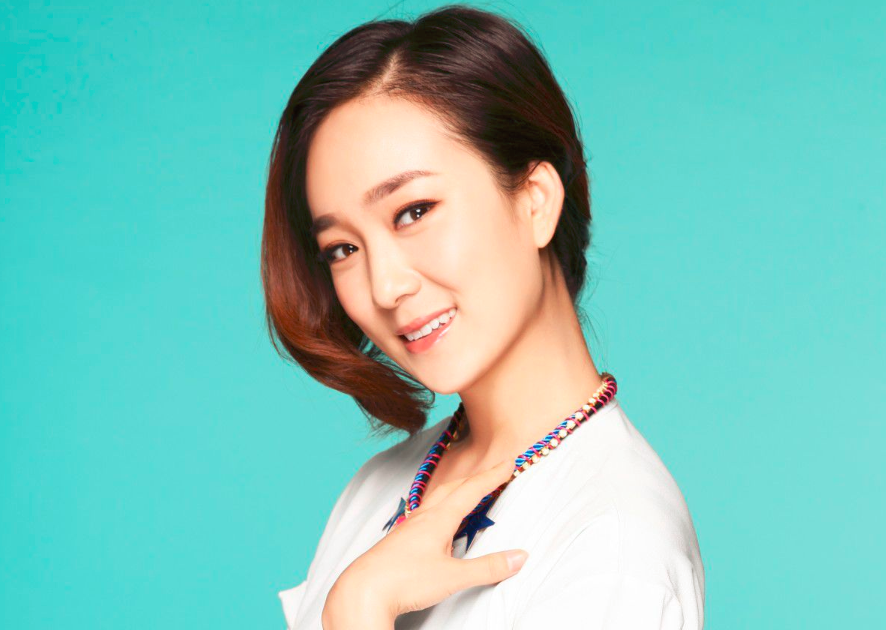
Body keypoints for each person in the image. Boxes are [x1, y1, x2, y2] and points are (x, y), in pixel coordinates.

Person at [263, 4, 704, 628]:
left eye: (414, 212)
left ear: (535, 201)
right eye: (343, 248)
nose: (384, 286)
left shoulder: (614, 542)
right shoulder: (377, 487)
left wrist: (358, 609)